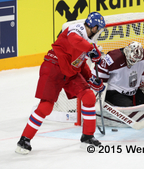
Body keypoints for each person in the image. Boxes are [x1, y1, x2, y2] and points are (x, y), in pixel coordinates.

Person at [15, 12, 106, 155]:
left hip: (70, 72)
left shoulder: (90, 43)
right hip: (53, 67)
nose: (99, 32)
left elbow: (80, 64)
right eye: (99, 29)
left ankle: (87, 136)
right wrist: (90, 49)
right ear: (94, 27)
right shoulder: (76, 29)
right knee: (46, 107)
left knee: (89, 96)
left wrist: (90, 79)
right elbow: (74, 40)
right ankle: (24, 139)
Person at [91, 41, 144, 107]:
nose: (134, 62)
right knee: (131, 109)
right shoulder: (112, 58)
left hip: (133, 91)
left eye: (136, 60)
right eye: (132, 59)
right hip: (114, 92)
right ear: (127, 52)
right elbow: (98, 74)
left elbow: (143, 67)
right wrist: (99, 94)